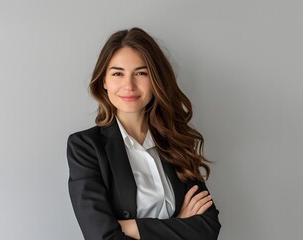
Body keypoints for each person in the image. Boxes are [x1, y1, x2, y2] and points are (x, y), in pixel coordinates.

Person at [67, 27, 221, 240]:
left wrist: (128, 227)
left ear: (155, 79)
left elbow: (208, 228)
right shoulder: (85, 146)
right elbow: (101, 236)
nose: (128, 85)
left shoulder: (176, 141)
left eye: (141, 73)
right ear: (104, 81)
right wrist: (178, 225)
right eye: (117, 74)